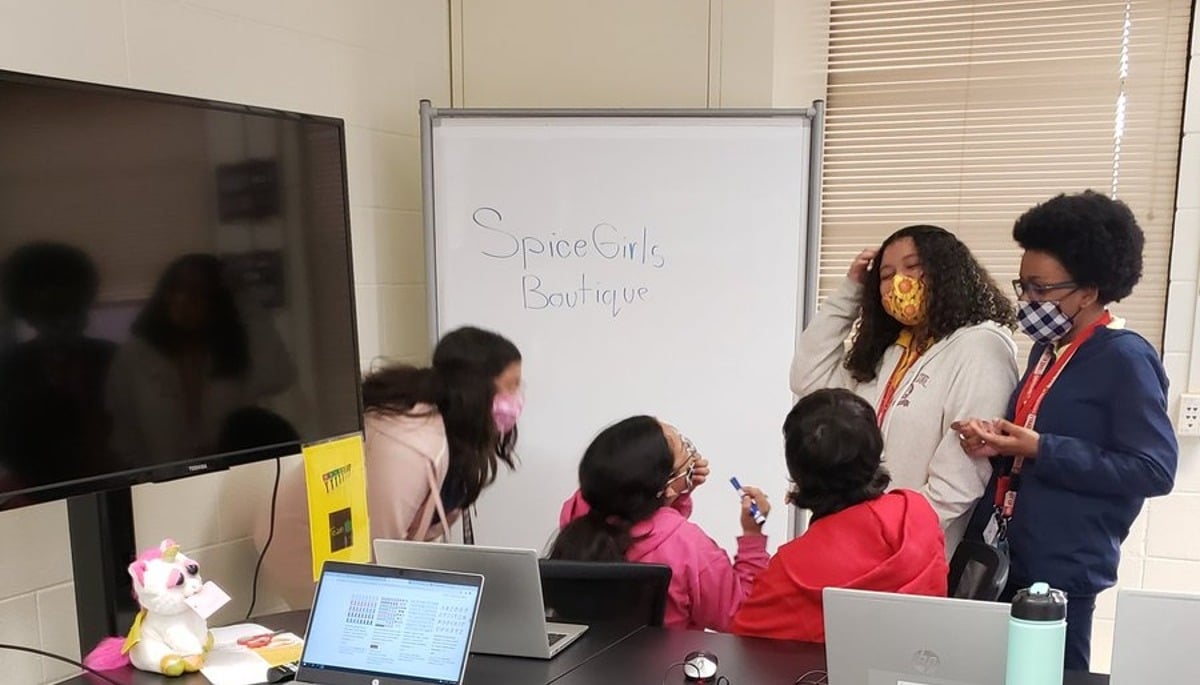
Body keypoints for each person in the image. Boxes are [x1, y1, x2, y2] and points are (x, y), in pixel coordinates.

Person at [955, 191, 1177, 672]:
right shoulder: (1046, 351)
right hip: (1004, 555)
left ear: (1089, 291)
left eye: (1041, 289)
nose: (1027, 302)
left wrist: (1042, 448)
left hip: (1061, 573)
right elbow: (1035, 436)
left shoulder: (1125, 357)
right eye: (1023, 286)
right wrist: (995, 442)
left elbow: (1154, 469)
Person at [790, 224, 1018, 556]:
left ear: (946, 271)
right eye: (885, 274)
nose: (900, 282)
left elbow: (961, 479)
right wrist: (851, 292)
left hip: (914, 551)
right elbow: (808, 379)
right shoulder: (890, 350)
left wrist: (892, 537)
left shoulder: (980, 346)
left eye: (913, 267)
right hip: (858, 541)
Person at [257, 326, 523, 608]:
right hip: (306, 549)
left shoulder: (455, 431)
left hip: (355, 552)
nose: (518, 398)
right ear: (476, 388)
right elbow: (378, 550)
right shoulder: (407, 447)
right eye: (512, 385)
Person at [731, 388, 948, 642]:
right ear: (875, 449)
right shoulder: (917, 512)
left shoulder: (792, 569)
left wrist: (752, 540)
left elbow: (744, 642)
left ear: (797, 471)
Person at [550, 415, 769, 632]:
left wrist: (674, 496)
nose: (691, 453)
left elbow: (639, 525)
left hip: (584, 664)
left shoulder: (575, 514)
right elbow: (742, 617)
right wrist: (752, 537)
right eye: (683, 449)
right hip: (662, 667)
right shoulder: (687, 545)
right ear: (667, 486)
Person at [106, 254, 295, 465]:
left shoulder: (231, 354)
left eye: (196, 292)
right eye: (174, 289)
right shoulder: (135, 357)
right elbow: (123, 434)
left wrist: (245, 300)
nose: (182, 300)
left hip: (230, 479)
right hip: (156, 486)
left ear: (218, 301)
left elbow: (279, 376)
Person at [0, 242, 116, 489]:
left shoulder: (112, 358)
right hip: (36, 496)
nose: (65, 322)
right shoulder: (10, 368)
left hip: (116, 483)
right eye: (52, 312)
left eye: (71, 309)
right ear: (30, 314)